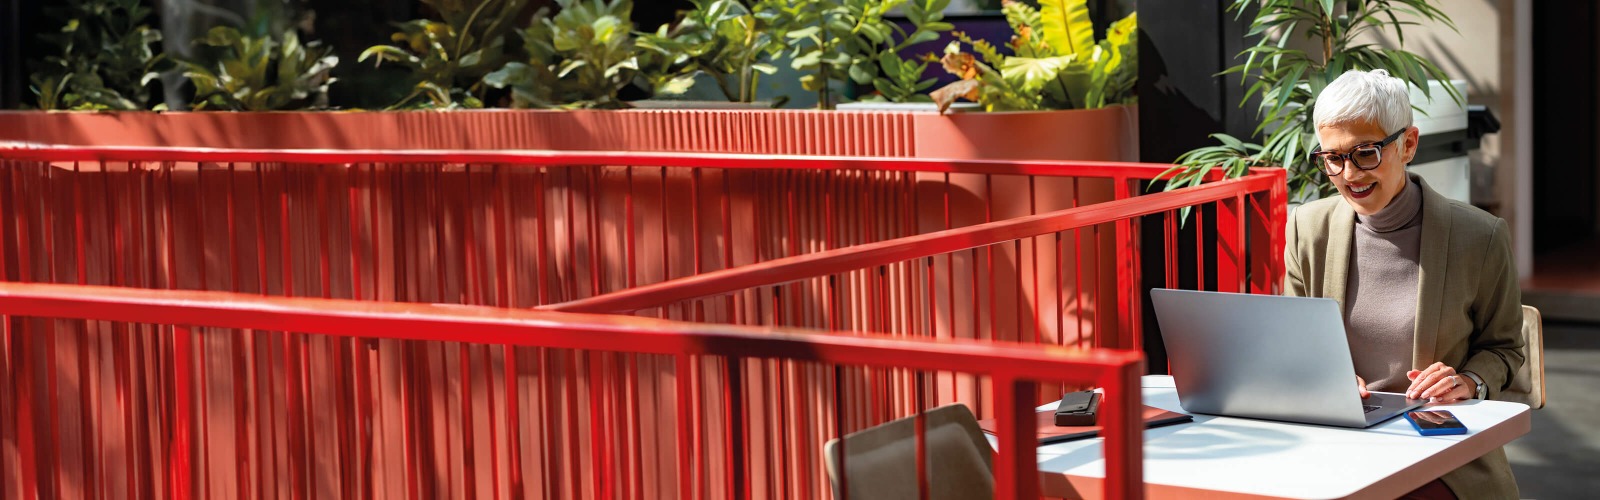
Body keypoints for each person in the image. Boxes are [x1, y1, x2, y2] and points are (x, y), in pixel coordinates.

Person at [1284, 69, 1525, 499]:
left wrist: (1468, 381)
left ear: (1408, 144)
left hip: (1439, 454)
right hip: (1336, 444)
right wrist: (1328, 378)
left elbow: (1505, 348)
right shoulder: (1307, 228)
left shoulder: (1480, 237)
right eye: (1332, 158)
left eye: (1365, 153)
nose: (1348, 174)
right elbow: (1296, 345)